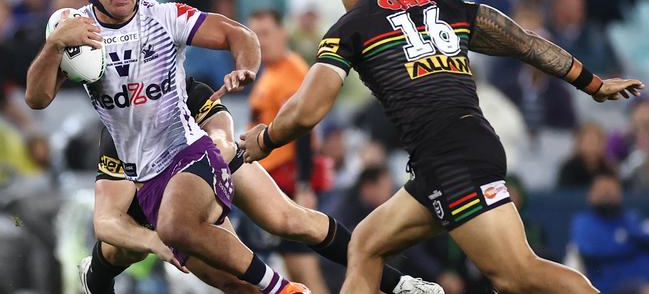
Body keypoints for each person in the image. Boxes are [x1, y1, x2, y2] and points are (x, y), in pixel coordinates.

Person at [240, 0, 645, 293]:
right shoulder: (450, 7)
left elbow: (308, 110)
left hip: (451, 157)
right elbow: (524, 41)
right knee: (365, 243)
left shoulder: (352, 26)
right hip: (456, 151)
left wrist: (267, 138)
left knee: (516, 276)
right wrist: (592, 83)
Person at [25, 0, 308, 294]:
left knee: (280, 222)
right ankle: (97, 275)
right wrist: (53, 46)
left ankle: (293, 288)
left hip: (194, 156)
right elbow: (36, 99)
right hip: (148, 178)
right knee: (212, 276)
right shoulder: (80, 36)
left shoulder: (165, 21)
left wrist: (244, 73)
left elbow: (237, 41)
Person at [86, 77, 441, 294]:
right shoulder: (119, 134)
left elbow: (221, 128)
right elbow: (106, 220)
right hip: (154, 208)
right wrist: (153, 241)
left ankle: (400, 285)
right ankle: (97, 277)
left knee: (290, 219)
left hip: (205, 166)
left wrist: (221, 144)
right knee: (231, 282)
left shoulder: (184, 88)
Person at [247, 9, 330, 293]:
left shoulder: (292, 70)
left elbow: (302, 127)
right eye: (255, 35)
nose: (261, 41)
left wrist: (304, 184)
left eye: (266, 33)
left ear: (283, 32)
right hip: (271, 182)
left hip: (288, 183)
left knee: (302, 269)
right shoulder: (269, 72)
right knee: (290, 270)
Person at [570, 175, 649, 293]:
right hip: (609, 284)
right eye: (602, 190)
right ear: (590, 195)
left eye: (611, 191)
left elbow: (645, 239)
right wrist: (630, 242)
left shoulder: (630, 217)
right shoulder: (583, 221)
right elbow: (591, 249)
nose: (607, 195)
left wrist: (624, 239)